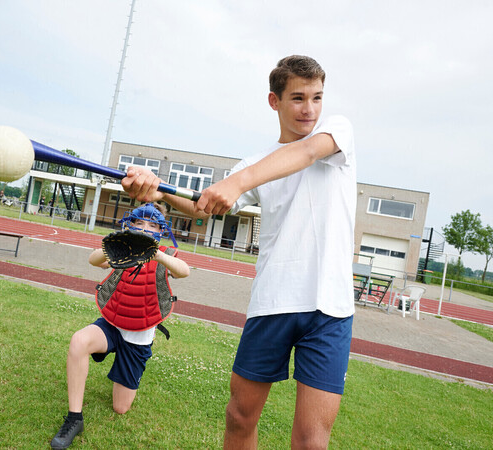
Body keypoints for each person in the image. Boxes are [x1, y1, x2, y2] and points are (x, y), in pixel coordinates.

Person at [121, 55, 356, 449]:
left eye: (317, 97)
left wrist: (237, 183)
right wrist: (157, 189)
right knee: (238, 417)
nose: (309, 109)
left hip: (330, 310)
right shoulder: (255, 162)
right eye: (298, 98)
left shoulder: (336, 132)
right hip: (273, 301)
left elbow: (307, 153)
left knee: (312, 441)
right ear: (274, 101)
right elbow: (203, 205)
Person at [50, 202, 190, 449]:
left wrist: (155, 253)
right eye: (139, 222)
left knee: (120, 407)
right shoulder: (122, 249)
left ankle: (121, 368)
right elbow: (94, 260)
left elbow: (184, 271)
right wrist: (114, 247)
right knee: (79, 341)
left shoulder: (165, 254)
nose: (145, 228)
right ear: (131, 223)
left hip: (139, 335)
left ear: (161, 229)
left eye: (153, 224)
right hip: (112, 324)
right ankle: (74, 418)